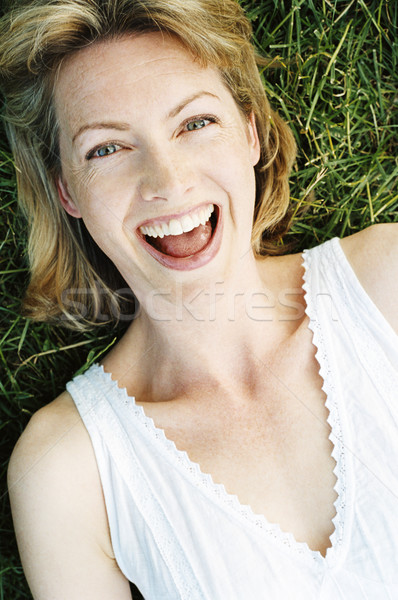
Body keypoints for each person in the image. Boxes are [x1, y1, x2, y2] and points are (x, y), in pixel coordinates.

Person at [1, 0, 397, 598]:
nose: (168, 182)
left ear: (251, 134)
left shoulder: (388, 283)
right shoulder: (67, 471)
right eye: (107, 149)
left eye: (194, 124)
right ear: (67, 192)